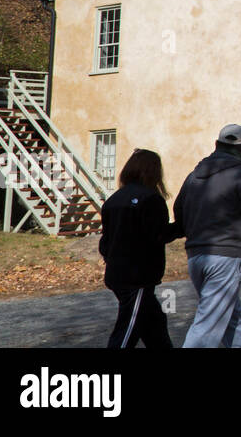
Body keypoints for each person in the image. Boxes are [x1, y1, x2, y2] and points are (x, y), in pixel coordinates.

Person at [171, 124, 241, 348]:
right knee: (208, 323)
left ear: (216, 145)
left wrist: (190, 231)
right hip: (225, 256)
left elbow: (179, 209)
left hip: (196, 256)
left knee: (229, 314)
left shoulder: (194, 177)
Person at [99, 149, 174, 349]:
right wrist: (183, 227)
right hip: (138, 278)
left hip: (117, 273)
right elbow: (158, 235)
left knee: (154, 324)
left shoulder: (113, 200)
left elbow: (105, 243)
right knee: (127, 330)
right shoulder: (151, 199)